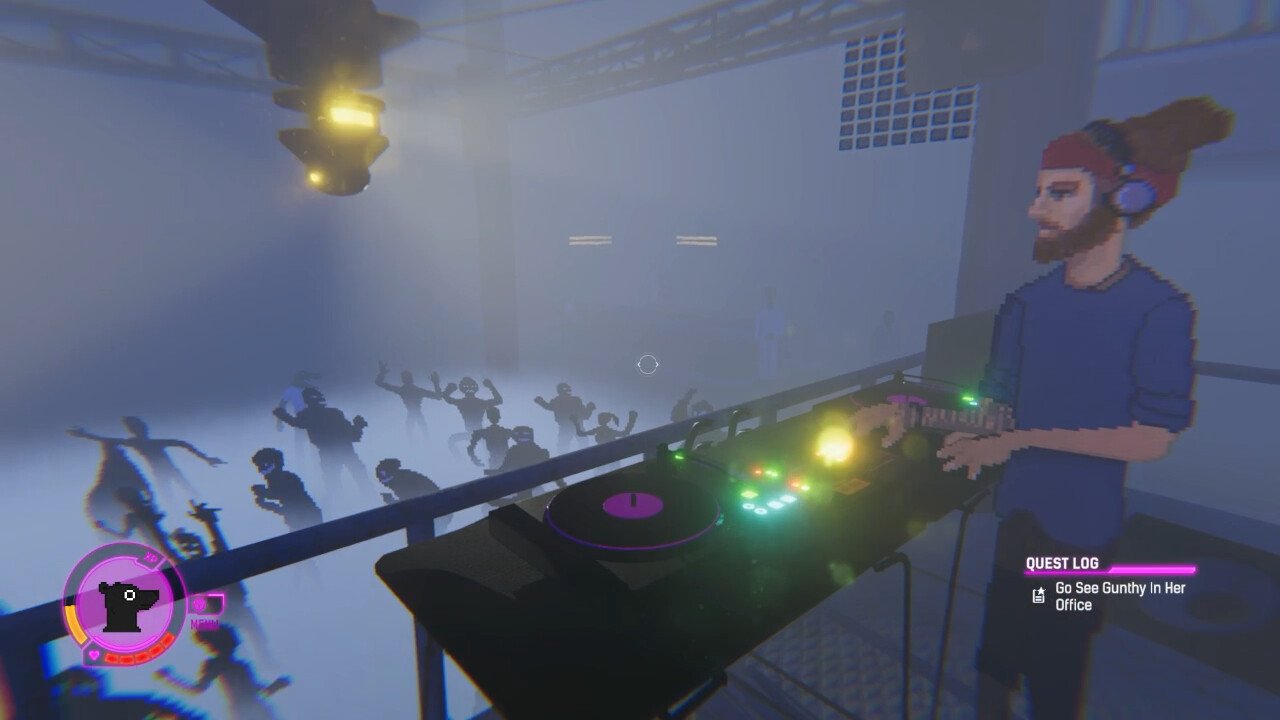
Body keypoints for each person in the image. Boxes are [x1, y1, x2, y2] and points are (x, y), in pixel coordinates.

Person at [850, 97, 1232, 720]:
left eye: (1060, 192)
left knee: (1056, 675)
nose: (1036, 209)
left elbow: (1152, 438)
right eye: (1038, 192)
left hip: (1079, 534)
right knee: (995, 665)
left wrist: (1021, 441)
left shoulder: (1159, 310)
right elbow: (997, 417)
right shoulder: (1027, 305)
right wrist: (913, 415)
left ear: (1124, 197)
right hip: (1018, 521)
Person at [171, 501, 273, 666]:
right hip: (219, 614)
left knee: (259, 644)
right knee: (248, 644)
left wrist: (209, 522)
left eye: (193, 543)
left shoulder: (216, 562)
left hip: (234, 608)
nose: (191, 548)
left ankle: (264, 660)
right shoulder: (191, 570)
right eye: (186, 546)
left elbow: (219, 544)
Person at [68, 418, 223, 502]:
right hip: (162, 472)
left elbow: (183, 444)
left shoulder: (148, 443)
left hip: (167, 471)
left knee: (186, 491)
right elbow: (108, 440)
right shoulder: (140, 443)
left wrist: (206, 458)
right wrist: (85, 435)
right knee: (174, 495)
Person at [155, 626, 290, 720]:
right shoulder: (216, 665)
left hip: (257, 709)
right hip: (243, 712)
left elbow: (260, 690)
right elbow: (197, 689)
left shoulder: (240, 666)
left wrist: (277, 685)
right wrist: (169, 678)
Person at [272, 387, 372, 497]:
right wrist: (358, 426)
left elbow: (352, 435)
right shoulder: (331, 413)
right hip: (337, 451)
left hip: (337, 452)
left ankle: (361, 497)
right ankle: (357, 498)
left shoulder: (323, 414)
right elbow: (352, 435)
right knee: (343, 479)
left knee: (342, 480)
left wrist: (358, 426)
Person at [250, 448, 323, 531]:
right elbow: (285, 507)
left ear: (275, 464)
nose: (262, 471)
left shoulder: (288, 478)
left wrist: (265, 495)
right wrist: (265, 500)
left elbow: (286, 500)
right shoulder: (277, 480)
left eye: (265, 466)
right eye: (260, 467)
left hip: (308, 519)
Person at [374, 362, 445, 440]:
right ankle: (423, 444)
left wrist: (382, 373)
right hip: (415, 413)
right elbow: (438, 396)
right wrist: (436, 383)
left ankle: (420, 444)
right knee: (421, 431)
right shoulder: (414, 391)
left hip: (412, 413)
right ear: (411, 379)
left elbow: (379, 383)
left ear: (404, 380)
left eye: (404, 378)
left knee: (414, 432)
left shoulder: (403, 390)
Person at [443, 377, 503, 459]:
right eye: (466, 387)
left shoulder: (462, 403)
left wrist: (449, 389)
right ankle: (461, 460)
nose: (469, 389)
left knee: (452, 440)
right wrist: (490, 386)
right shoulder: (479, 403)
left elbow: (447, 398)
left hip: (475, 433)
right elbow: (499, 400)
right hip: (476, 433)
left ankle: (460, 460)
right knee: (452, 440)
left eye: (470, 387)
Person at [534, 383, 596, 453]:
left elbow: (549, 407)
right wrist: (589, 409)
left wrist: (540, 401)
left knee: (568, 445)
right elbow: (584, 415)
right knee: (569, 445)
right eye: (566, 389)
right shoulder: (568, 400)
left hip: (570, 426)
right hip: (572, 426)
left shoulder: (563, 400)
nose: (568, 391)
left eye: (568, 389)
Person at [277, 371, 320, 454]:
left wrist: (279, 422)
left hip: (312, 418)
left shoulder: (310, 388)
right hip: (303, 418)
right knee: (301, 445)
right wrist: (279, 422)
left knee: (312, 445)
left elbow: (281, 405)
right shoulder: (292, 390)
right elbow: (281, 405)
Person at [754, 287, 786, 380]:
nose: (769, 299)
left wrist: (775, 335)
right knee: (763, 359)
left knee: (773, 359)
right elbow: (758, 328)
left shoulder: (779, 313)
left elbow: (781, 326)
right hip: (763, 341)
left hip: (774, 340)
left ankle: (772, 378)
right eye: (767, 296)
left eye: (771, 296)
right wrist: (757, 340)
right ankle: (763, 378)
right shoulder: (761, 313)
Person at [468, 407, 513, 471]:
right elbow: (471, 447)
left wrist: (474, 458)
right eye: (495, 415)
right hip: (496, 461)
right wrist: (474, 458)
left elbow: (471, 447)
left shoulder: (504, 431)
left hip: (500, 461)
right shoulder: (505, 431)